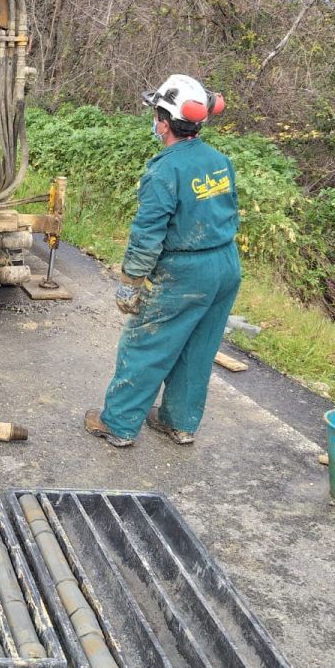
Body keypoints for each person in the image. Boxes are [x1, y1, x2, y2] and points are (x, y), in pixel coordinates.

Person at [84, 74, 240, 448]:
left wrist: (131, 281)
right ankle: (179, 423)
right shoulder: (220, 161)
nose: (155, 122)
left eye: (157, 115)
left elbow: (147, 234)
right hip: (226, 267)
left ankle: (118, 425)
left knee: (145, 345)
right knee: (198, 348)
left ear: (165, 121)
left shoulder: (164, 170)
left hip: (185, 273)